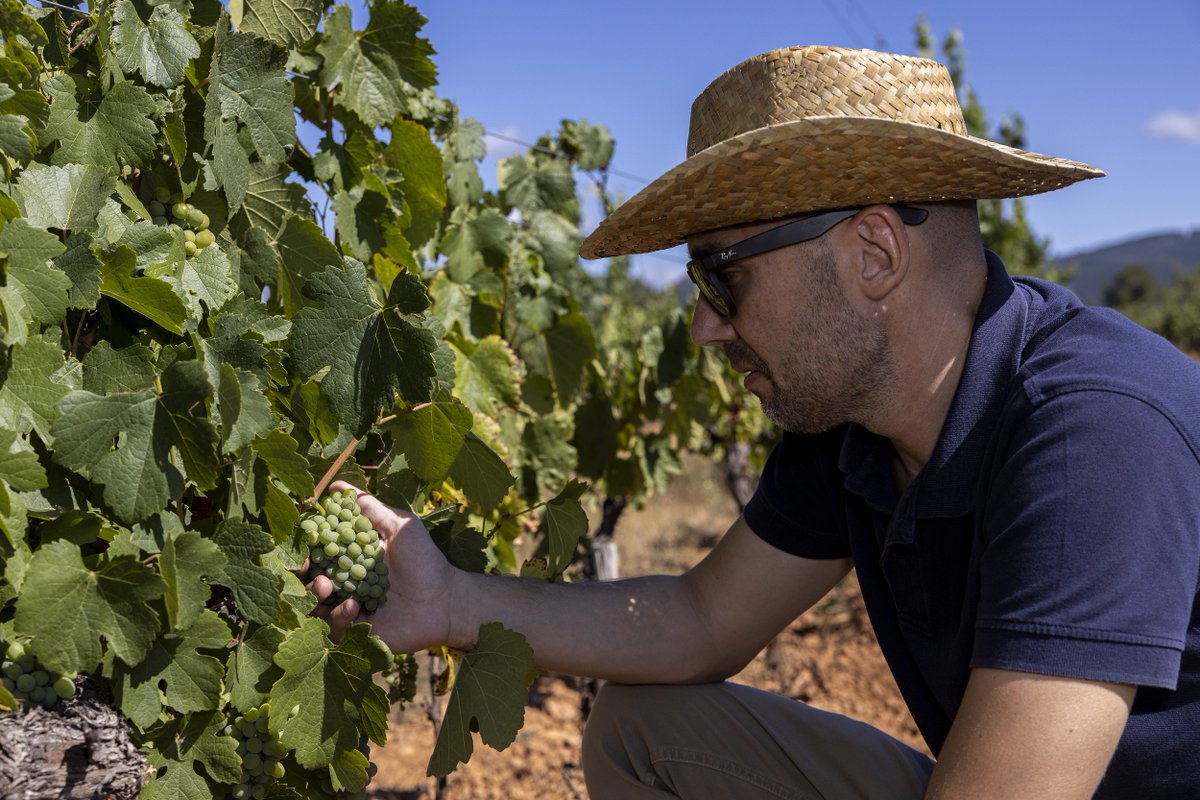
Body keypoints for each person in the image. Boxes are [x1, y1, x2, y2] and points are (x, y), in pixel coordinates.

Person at [313, 46, 1200, 799]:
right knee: (646, 725)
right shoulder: (852, 428)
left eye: (720, 277)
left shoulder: (1095, 435)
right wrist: (450, 601)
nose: (703, 324)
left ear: (875, 254)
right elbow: (700, 620)